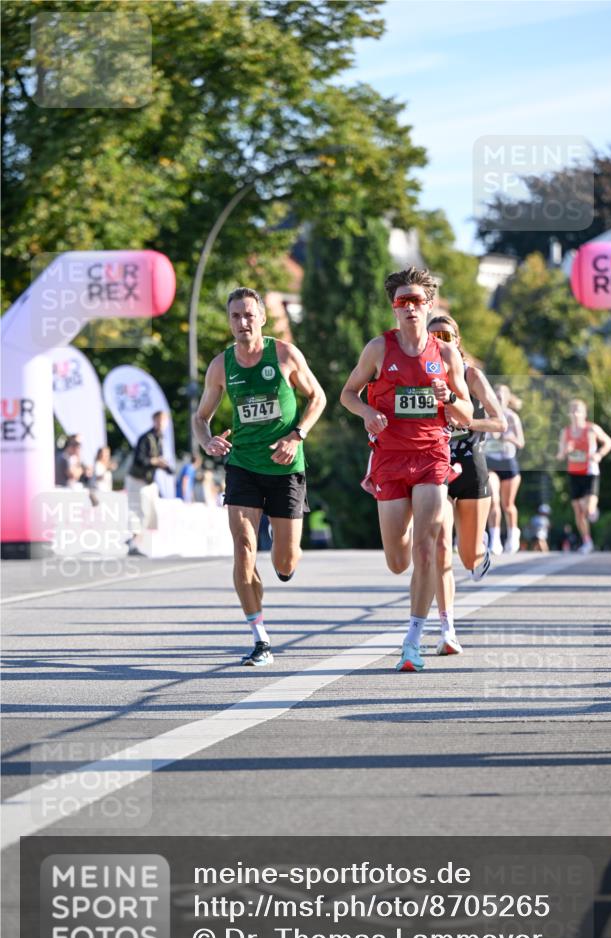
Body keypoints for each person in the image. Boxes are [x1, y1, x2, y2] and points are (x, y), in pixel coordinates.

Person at [340, 265, 473, 672]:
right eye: (403, 301)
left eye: (417, 300)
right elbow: (347, 393)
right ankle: (410, 532)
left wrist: (449, 397)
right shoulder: (378, 349)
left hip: (432, 454)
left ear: (429, 304)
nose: (411, 307)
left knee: (427, 547)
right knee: (398, 560)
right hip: (390, 458)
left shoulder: (446, 354)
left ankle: (412, 641)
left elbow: (467, 414)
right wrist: (366, 412)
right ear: (394, 308)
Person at [193, 286, 326, 667]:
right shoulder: (221, 366)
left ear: (262, 318)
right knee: (243, 548)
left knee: (284, 561)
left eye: (249, 315)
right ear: (229, 321)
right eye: (236, 316)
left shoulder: (284, 354)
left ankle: (283, 565)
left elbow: (318, 398)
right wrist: (207, 441)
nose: (243, 322)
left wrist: (297, 435)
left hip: (285, 467)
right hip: (243, 465)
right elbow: (200, 418)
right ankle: (260, 637)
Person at [427, 315, 507, 655]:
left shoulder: (472, 375)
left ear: (457, 340)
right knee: (440, 546)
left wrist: (466, 420)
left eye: (446, 335)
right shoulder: (421, 376)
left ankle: (480, 549)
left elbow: (500, 422)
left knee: (469, 557)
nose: (440, 340)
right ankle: (447, 628)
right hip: (436, 468)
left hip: (472, 465)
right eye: (434, 335)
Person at [557, 398, 611, 554]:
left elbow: (609, 442)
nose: (575, 414)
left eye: (578, 411)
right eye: (572, 411)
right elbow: (560, 456)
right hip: (574, 473)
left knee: (587, 509)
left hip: (590, 472)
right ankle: (587, 541)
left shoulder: (591, 429)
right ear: (569, 414)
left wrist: (599, 455)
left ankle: (593, 510)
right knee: (578, 511)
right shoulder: (565, 432)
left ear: (584, 413)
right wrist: (566, 451)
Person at [485, 384, 524, 555]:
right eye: (496, 395)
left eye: (502, 396)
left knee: (507, 505)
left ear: (508, 399)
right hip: (491, 463)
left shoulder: (512, 417)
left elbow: (521, 442)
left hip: (508, 463)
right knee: (493, 500)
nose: (499, 399)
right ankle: (494, 540)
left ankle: (513, 533)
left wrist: (510, 438)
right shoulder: (486, 414)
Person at [125, 410, 173, 535]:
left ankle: (143, 538)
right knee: (138, 511)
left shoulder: (160, 438)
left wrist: (166, 467)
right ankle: (133, 539)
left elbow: (159, 460)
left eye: (164, 420)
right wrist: (156, 461)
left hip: (149, 481)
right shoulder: (146, 438)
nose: (161, 423)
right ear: (154, 421)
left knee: (152, 513)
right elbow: (139, 459)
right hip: (137, 479)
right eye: (159, 420)